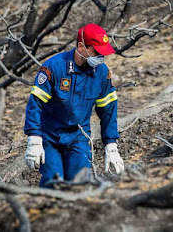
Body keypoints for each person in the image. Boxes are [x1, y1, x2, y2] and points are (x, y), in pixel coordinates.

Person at [23, 23, 124, 187]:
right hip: (49, 136)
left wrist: (111, 144)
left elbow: (108, 110)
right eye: (96, 52)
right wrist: (34, 139)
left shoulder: (102, 73)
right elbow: (35, 105)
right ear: (81, 47)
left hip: (79, 136)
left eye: (102, 54)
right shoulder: (53, 68)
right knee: (53, 182)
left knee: (80, 183)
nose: (100, 57)